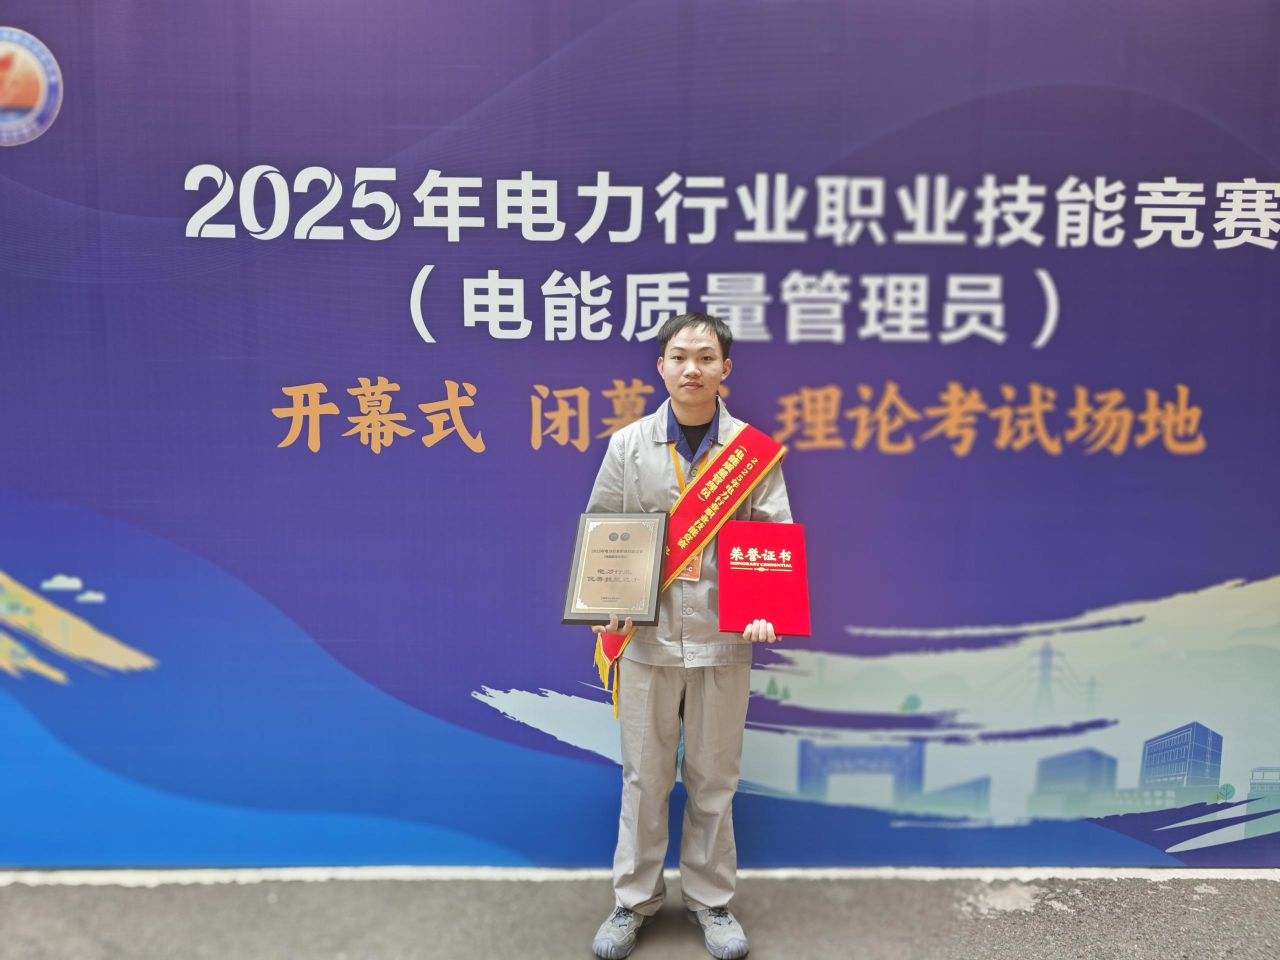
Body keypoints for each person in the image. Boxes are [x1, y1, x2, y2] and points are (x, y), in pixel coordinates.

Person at [585, 312, 792, 960]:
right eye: (679, 356)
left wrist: (766, 608)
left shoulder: (751, 452)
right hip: (647, 642)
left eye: (705, 357)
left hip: (725, 640)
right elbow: (606, 530)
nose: (692, 368)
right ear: (662, 366)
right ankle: (633, 900)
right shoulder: (628, 445)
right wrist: (607, 603)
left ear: (725, 368)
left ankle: (711, 901)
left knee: (714, 780)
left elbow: (771, 537)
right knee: (643, 779)